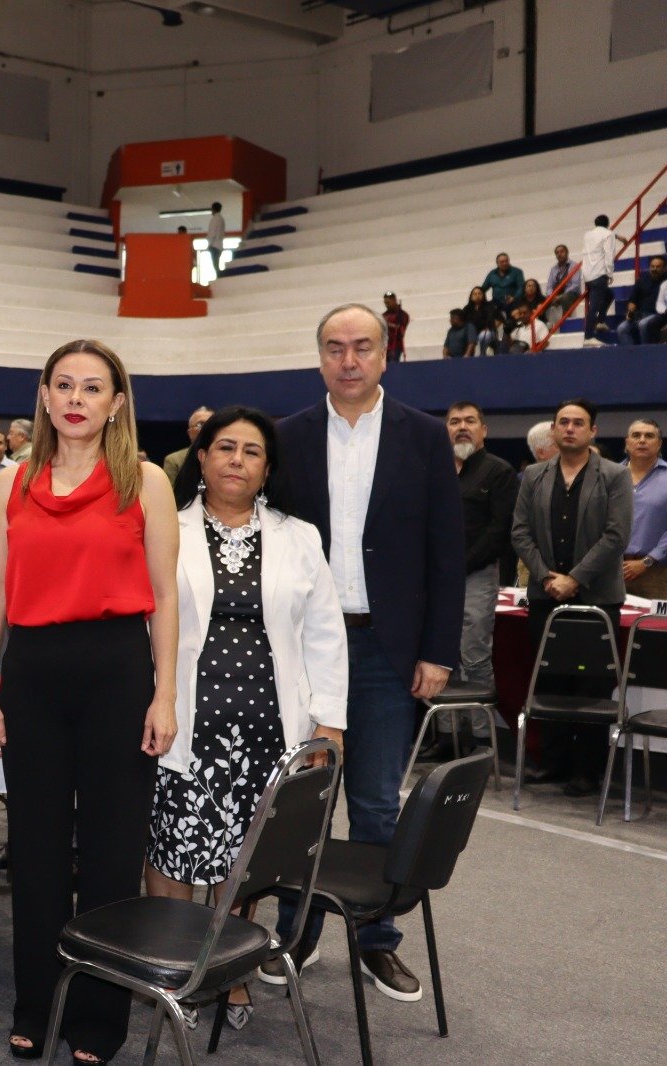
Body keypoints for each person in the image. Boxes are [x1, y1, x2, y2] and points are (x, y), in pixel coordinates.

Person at [0, 338, 179, 1063]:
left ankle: (99, 1016)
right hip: (33, 673)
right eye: (64, 385)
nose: (77, 399)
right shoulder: (11, 482)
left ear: (116, 403)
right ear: (45, 395)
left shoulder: (146, 481)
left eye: (92, 387)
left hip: (118, 670)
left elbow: (166, 597)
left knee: (113, 854)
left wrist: (165, 695)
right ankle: (37, 1003)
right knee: (36, 851)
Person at [265, 304, 463, 1002]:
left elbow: (446, 552)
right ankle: (294, 931)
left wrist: (438, 650)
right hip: (304, 647)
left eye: (361, 347)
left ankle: (376, 939)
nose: (348, 360)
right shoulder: (286, 436)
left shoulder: (425, 436)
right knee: (301, 798)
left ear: (385, 354)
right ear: (319, 356)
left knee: (376, 802)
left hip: (385, 647)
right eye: (334, 347)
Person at [145, 406, 346, 1031]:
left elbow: (325, 635)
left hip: (270, 729)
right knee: (174, 847)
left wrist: (328, 723)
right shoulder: (164, 527)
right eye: (224, 447)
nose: (236, 459)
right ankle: (173, 971)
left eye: (251, 451)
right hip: (182, 722)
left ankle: (229, 969)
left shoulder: (299, 537)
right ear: (201, 457)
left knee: (244, 857)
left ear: (267, 468)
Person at [510, 399, 630, 796]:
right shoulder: (534, 475)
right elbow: (520, 532)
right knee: (549, 679)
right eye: (563, 422)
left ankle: (587, 770)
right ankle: (553, 762)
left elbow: (616, 536)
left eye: (579, 423)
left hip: (597, 597)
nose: (570, 428)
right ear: (554, 430)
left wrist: (575, 579)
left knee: (591, 685)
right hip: (545, 595)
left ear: (593, 431)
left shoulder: (614, 475)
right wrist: (547, 577)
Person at [447, 402, 516, 695]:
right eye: (454, 422)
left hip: (477, 574)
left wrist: (460, 566)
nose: (462, 427)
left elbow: (500, 531)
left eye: (470, 421)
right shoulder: (434, 471)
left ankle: (480, 724)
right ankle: (448, 724)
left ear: (483, 430)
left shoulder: (499, 471)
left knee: (474, 656)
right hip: (436, 578)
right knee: (441, 658)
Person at [621, 419, 667, 600]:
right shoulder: (609, 476)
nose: (642, 440)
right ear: (627, 443)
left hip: (657, 573)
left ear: (659, 443)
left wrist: (647, 561)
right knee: (609, 618)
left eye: (649, 436)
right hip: (611, 571)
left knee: (654, 619)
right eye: (636, 435)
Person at [580, 214, 618, 345]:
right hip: (600, 273)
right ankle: (588, 336)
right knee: (594, 306)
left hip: (587, 274)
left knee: (609, 294)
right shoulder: (609, 234)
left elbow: (600, 236)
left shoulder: (587, 235)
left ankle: (600, 321)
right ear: (608, 224)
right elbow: (609, 254)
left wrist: (617, 236)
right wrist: (610, 273)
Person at [617, 256, 666, 347]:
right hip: (640, 315)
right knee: (622, 328)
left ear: (664, 268)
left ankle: (646, 352)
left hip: (657, 315)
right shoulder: (642, 281)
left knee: (643, 324)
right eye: (652, 266)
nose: (654, 269)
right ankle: (632, 354)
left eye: (658, 267)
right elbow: (633, 300)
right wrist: (630, 312)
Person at [162, 406, 213, 484]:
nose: (206, 428)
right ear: (190, 433)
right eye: (200, 425)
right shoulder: (174, 461)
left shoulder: (226, 458)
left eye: (210, 424)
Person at [545, 244, 582, 326]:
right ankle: (546, 323)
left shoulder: (574, 265)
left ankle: (565, 321)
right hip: (556, 294)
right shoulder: (553, 269)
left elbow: (575, 285)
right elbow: (549, 286)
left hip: (571, 293)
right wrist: (552, 296)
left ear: (567, 253)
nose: (559, 254)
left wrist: (561, 296)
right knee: (543, 299)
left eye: (562, 251)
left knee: (565, 297)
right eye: (557, 253)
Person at [462, 286, 502, 356]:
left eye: (479, 293)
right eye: (475, 294)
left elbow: (500, 319)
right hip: (472, 333)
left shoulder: (490, 306)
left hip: (487, 332)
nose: (477, 296)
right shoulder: (467, 308)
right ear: (471, 296)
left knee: (483, 336)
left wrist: (491, 327)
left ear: (483, 295)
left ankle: (482, 356)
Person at [382, 291, 409, 361]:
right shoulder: (384, 315)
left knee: (393, 365)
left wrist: (388, 325)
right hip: (384, 347)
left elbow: (401, 330)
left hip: (395, 347)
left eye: (388, 303)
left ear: (394, 300)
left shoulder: (402, 314)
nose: (387, 305)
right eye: (385, 303)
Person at [205, 201, 226, 278]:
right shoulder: (221, 219)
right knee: (216, 264)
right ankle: (219, 277)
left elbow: (212, 233)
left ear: (213, 209)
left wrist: (209, 244)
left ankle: (220, 277)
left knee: (215, 264)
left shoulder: (215, 219)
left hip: (214, 245)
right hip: (219, 245)